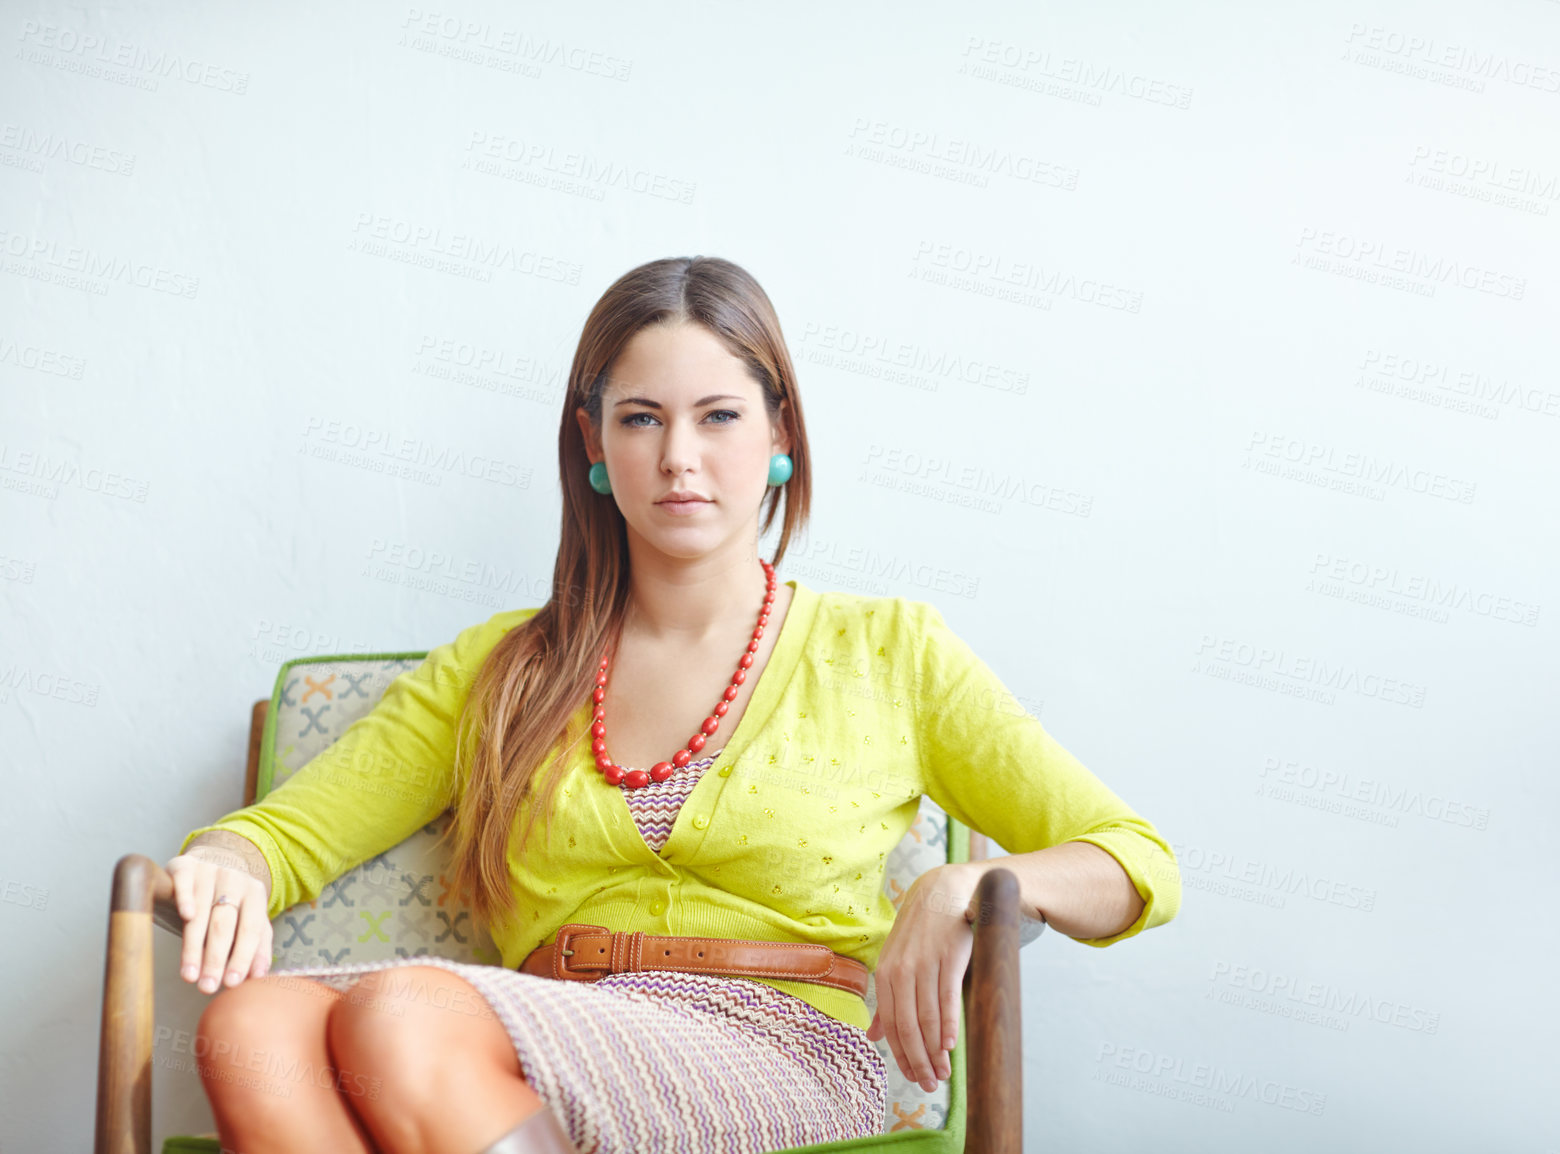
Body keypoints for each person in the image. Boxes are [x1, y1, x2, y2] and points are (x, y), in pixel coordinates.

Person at [166, 256, 1182, 1154]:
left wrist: (964, 886)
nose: (679, 456)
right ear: (593, 444)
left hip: (778, 1039)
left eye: (719, 415)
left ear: (780, 430)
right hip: (536, 1026)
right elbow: (285, 834)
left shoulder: (888, 649)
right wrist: (228, 861)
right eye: (641, 418)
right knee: (250, 1034)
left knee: (399, 1013)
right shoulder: (503, 666)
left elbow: (1133, 859)